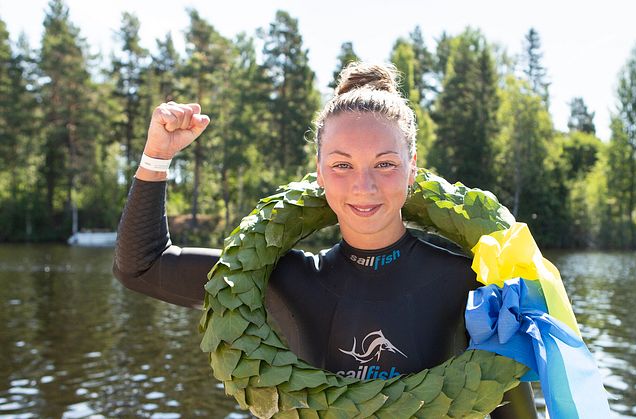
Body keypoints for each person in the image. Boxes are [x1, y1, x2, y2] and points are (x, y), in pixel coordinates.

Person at [113, 62, 537, 418]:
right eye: (342, 165)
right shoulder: (287, 281)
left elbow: (507, 399)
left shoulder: (472, 286)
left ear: (412, 170)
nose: (364, 185)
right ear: (318, 173)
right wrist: (157, 155)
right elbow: (141, 266)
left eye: (385, 163)